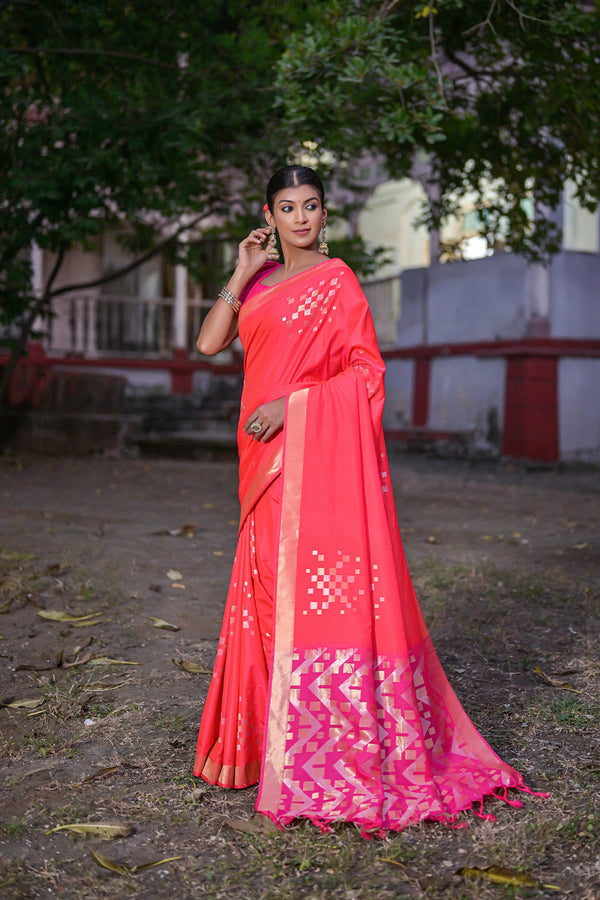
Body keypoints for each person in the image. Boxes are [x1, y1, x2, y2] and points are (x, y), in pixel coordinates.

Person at [193, 165, 541, 834]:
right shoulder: (259, 285)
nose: (300, 218)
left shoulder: (338, 281)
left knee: (308, 594)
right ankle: (269, 745)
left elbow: (365, 375)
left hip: (309, 457)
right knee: (267, 594)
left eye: (311, 206)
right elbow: (210, 342)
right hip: (260, 463)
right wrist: (240, 272)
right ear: (269, 213)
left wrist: (292, 407)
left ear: (325, 215)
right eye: (287, 207)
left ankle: (321, 752)